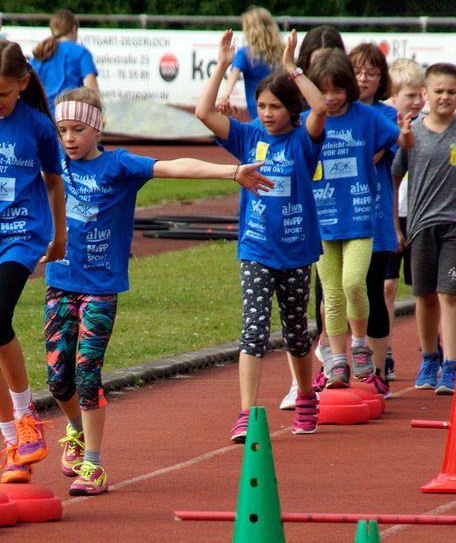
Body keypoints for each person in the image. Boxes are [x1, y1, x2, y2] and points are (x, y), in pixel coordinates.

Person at [45, 86, 272, 495]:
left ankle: (94, 466)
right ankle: (75, 430)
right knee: (58, 381)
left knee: (86, 374)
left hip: (99, 289)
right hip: (59, 285)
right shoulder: (55, 164)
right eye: (62, 130)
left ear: (98, 130)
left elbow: (174, 166)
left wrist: (231, 172)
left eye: (78, 129)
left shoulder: (118, 166)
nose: (69, 139)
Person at [196, 29, 327, 443]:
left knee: (294, 330)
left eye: (274, 107)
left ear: (291, 110)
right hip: (255, 249)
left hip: (296, 250)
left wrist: (292, 70)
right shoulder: (248, 136)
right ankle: (246, 412)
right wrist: (221, 64)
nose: (266, 113)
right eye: (261, 106)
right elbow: (203, 113)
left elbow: (320, 107)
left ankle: (306, 396)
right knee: (253, 328)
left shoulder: (304, 140)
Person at [307, 48, 410, 389]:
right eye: (323, 91)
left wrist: (406, 133)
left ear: (348, 88)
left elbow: (400, 139)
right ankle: (337, 361)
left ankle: (360, 346)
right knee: (331, 295)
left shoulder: (365, 117)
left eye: (337, 90)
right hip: (322, 223)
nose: (331, 98)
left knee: (355, 283)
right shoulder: (310, 119)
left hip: (360, 219)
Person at [392, 63, 456, 395]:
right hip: (421, 226)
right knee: (424, 296)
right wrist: (395, 226)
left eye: (452, 92)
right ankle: (429, 358)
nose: (445, 97)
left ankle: (451, 365)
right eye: (438, 91)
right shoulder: (412, 134)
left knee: (451, 293)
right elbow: (393, 179)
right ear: (424, 94)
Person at [0, 40, 67, 484]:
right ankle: (10, 443)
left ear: (23, 84)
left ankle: (26, 416)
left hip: (23, 237)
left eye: (2, 95)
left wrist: (59, 235)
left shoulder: (38, 126)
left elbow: (54, 183)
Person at [279, 25, 347, 410]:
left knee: (346, 292)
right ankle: (302, 379)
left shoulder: (348, 109)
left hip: (347, 215)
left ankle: (356, 360)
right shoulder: (298, 116)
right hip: (306, 218)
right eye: (313, 68)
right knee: (307, 305)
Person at [344, 42, 399, 398]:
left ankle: (377, 371)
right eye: (357, 71)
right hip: (336, 218)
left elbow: (371, 154)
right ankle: (336, 366)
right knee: (334, 293)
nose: (363, 79)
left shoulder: (386, 116)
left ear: (382, 79)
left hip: (373, 216)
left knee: (374, 293)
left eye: (371, 73)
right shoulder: (333, 114)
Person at [383, 58, 426, 381]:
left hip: (422, 213)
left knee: (425, 288)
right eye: (410, 95)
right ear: (393, 97)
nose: (417, 101)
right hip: (389, 213)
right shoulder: (385, 125)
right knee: (387, 285)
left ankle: (431, 350)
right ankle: (384, 351)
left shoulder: (427, 125)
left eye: (419, 94)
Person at [216, 6, 285, 121]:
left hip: (260, 115)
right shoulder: (284, 51)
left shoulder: (244, 54)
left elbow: (233, 76)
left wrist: (224, 97)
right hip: (282, 113)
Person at [30, 9, 99, 109]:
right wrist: (98, 113)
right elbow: (92, 88)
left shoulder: (41, 53)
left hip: (44, 115)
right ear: (74, 29)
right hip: (71, 115)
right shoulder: (81, 52)